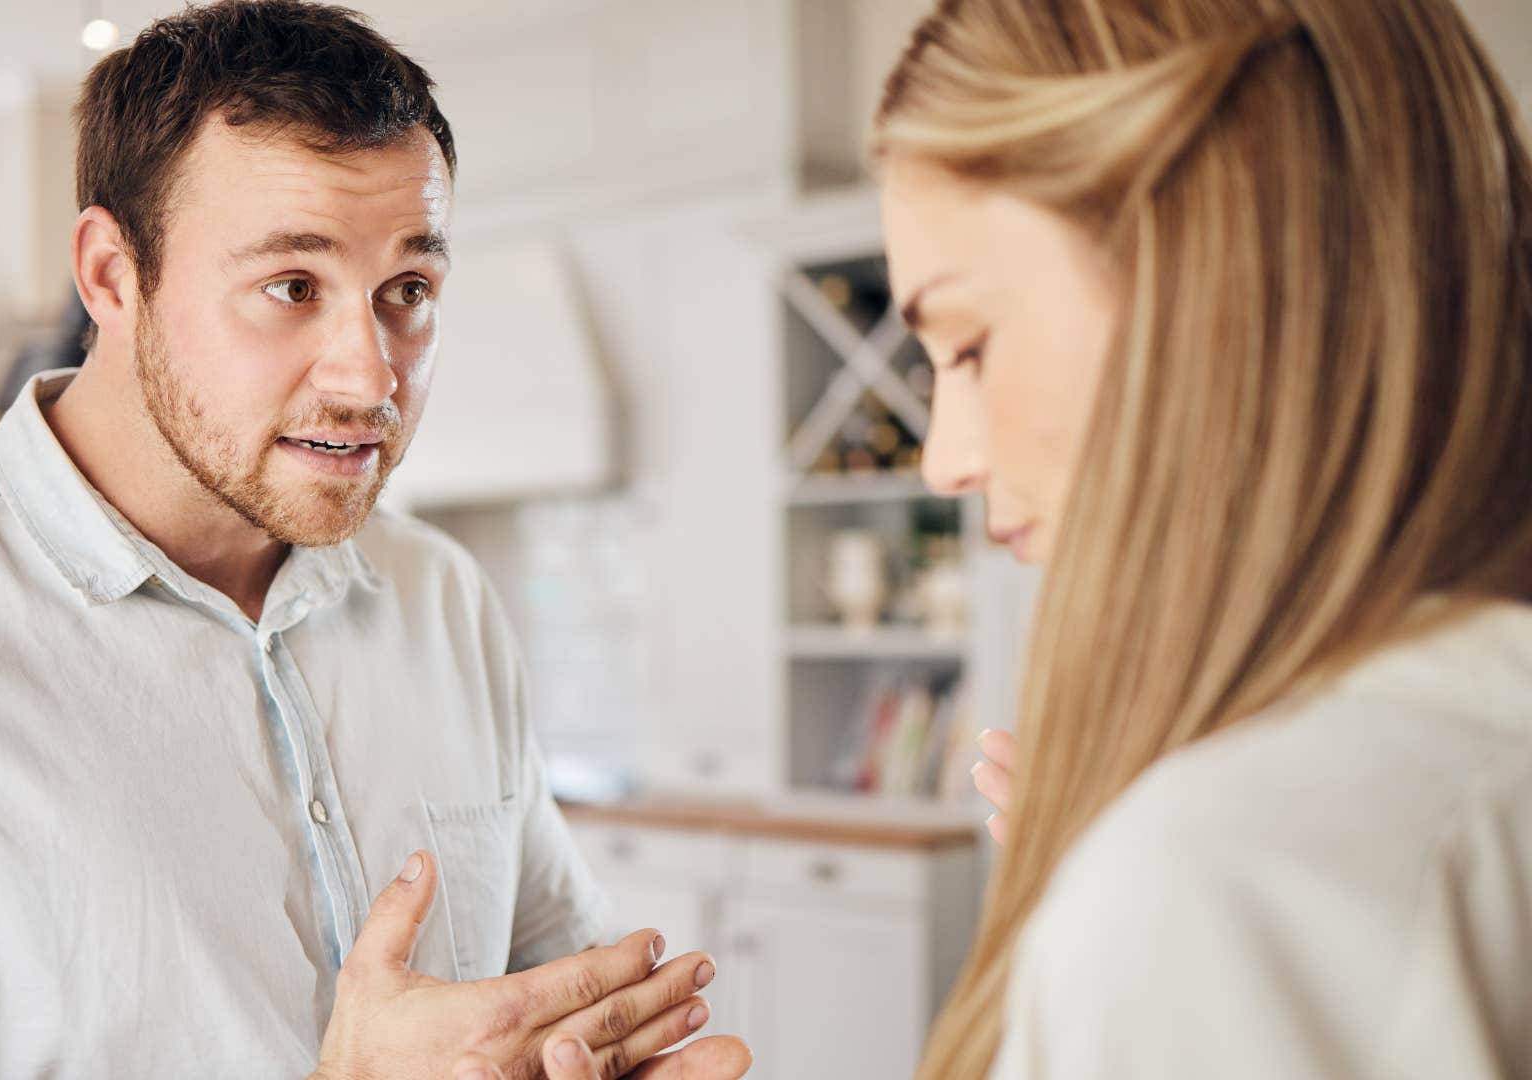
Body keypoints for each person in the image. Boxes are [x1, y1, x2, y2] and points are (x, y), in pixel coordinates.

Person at [0, 3, 753, 1078]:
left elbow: (550, 991)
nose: (371, 376)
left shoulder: (443, 597)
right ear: (113, 276)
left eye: (408, 287)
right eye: (292, 285)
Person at [468, 0, 1532, 1077]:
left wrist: (1137, 907)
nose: (945, 461)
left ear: (1214, 283)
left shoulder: (1220, 874)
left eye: (969, 346)